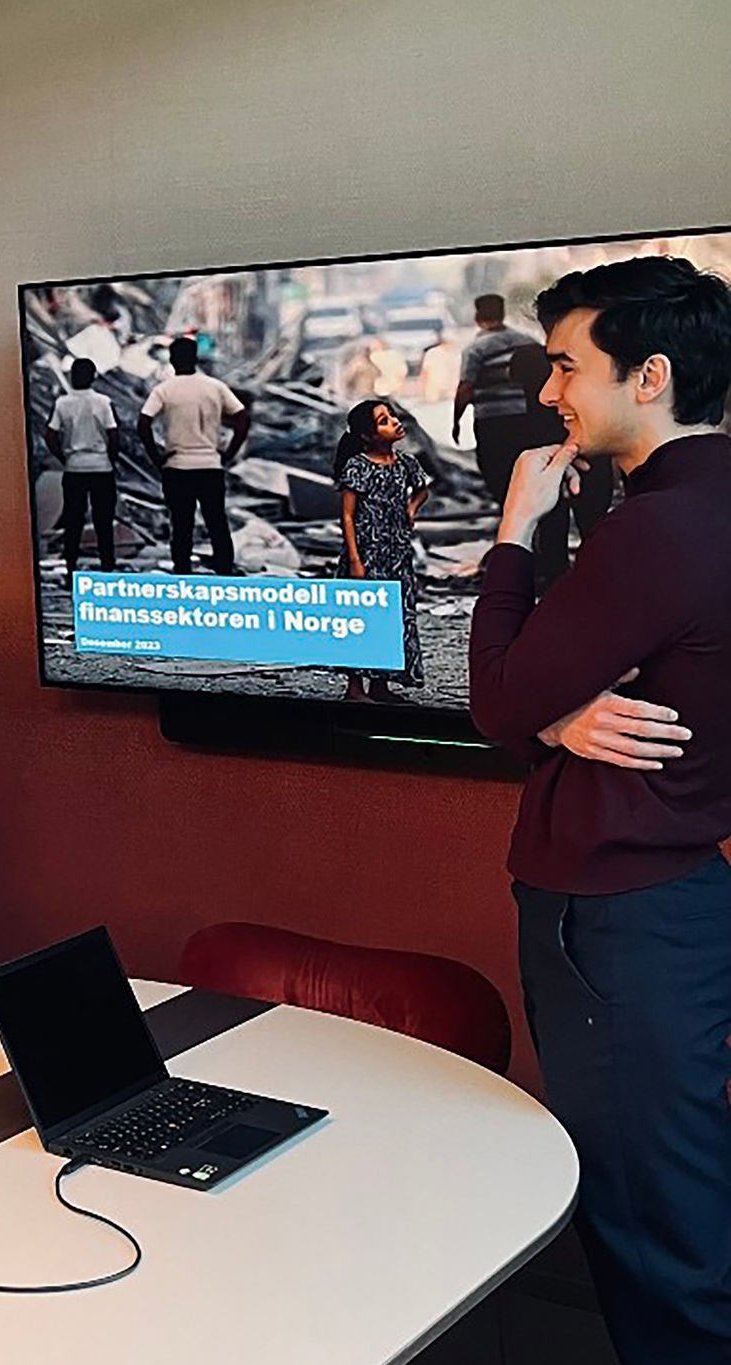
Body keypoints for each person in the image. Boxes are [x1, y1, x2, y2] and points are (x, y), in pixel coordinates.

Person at [468, 254, 731, 1364]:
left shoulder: (661, 530)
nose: (547, 394)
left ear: (650, 375)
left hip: (619, 921)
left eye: (567, 365)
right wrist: (558, 712)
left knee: (648, 1233)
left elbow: (492, 699)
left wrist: (512, 531)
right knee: (678, 1210)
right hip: (678, 905)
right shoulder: (687, 510)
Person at [491, 340, 614, 594]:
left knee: (552, 528)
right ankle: (599, 580)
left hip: (551, 460)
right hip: (588, 457)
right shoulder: (570, 374)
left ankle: (557, 582)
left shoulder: (530, 380)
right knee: (593, 524)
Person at [335, 400, 430, 702]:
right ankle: (354, 688)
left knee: (394, 617)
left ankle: (381, 685)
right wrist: (354, 560)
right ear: (368, 435)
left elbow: (423, 489)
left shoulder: (405, 463)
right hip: (367, 552)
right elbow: (348, 515)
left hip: (397, 554)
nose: (394, 422)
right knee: (363, 617)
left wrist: (411, 509)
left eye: (392, 416)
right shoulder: (358, 466)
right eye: (383, 420)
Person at [139, 335, 249, 574]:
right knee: (217, 523)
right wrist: (229, 452)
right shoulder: (215, 386)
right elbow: (242, 418)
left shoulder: (164, 390)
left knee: (181, 525)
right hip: (210, 465)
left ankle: (183, 572)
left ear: (172, 360)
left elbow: (143, 422)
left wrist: (156, 457)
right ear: (195, 358)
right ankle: (224, 573)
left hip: (177, 467)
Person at [452, 292, 538, 500]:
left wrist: (457, 421)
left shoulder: (475, 349)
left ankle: (507, 510)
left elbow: (466, 388)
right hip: (526, 417)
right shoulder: (527, 341)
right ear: (502, 313)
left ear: (477, 317)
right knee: (525, 467)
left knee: (495, 468)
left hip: (492, 420)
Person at [45, 358, 120, 573]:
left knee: (73, 520)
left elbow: (50, 435)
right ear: (94, 377)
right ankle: (107, 565)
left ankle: (71, 566)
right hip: (101, 468)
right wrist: (111, 459)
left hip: (75, 468)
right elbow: (113, 433)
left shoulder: (62, 403)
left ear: (72, 377)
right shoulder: (103, 402)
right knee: (103, 520)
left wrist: (63, 457)